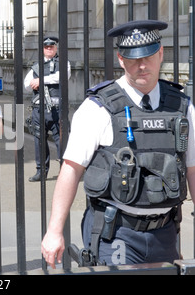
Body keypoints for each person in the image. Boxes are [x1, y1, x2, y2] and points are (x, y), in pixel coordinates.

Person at [41, 19, 195, 268]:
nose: (141, 65)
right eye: (133, 59)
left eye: (148, 56)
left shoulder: (182, 107)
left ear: (161, 53)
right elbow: (71, 169)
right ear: (121, 59)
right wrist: (54, 231)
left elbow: (192, 169)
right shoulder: (97, 108)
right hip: (116, 233)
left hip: (166, 232)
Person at [24, 36, 71, 182]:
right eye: (46, 47)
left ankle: (65, 171)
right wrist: (35, 82)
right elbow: (26, 84)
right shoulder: (36, 66)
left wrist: (41, 80)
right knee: (39, 141)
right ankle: (41, 171)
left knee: (61, 141)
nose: (49, 49)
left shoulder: (63, 63)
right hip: (39, 109)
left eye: (51, 46)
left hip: (57, 110)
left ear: (56, 48)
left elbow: (62, 77)